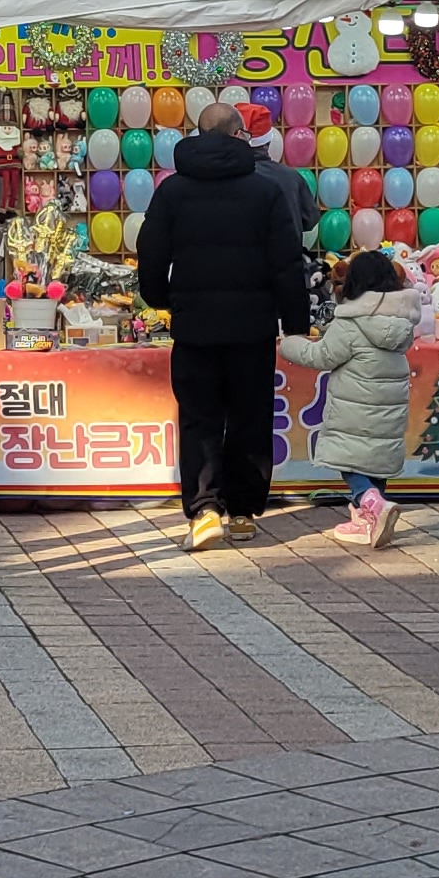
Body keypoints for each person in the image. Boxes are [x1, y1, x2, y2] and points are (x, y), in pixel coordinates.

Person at [136, 99, 315, 550]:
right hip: (252, 329)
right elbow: (287, 264)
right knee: (250, 418)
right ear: (240, 136)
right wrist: (295, 322)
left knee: (199, 419)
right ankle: (242, 512)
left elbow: (151, 254)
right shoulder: (265, 191)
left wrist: (162, 300)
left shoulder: (172, 191)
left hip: (194, 328)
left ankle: (204, 510)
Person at [289, 249, 415, 548]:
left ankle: (371, 503)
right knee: (377, 464)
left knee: (349, 461)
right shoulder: (401, 322)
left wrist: (290, 344)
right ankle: (368, 522)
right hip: (388, 413)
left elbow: (321, 355)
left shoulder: (350, 322)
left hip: (354, 412)